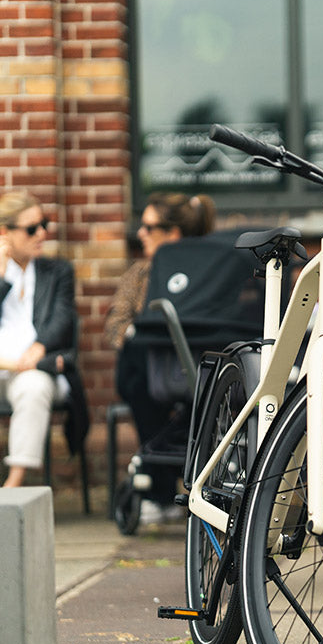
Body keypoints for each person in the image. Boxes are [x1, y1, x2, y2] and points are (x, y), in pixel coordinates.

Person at [105, 192, 215, 525]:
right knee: (136, 367)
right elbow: (115, 321)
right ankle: (168, 482)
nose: (140, 233)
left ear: (174, 234)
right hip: (153, 372)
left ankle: (161, 486)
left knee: (137, 375)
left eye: (149, 227)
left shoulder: (211, 270)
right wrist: (136, 336)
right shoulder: (140, 273)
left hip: (202, 368)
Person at [0, 192, 77, 488]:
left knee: (33, 386)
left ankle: (14, 484)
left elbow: (62, 319)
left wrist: (38, 348)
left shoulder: (57, 271)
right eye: (32, 228)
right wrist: (0, 275)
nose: (42, 233)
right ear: (4, 233)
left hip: (35, 369)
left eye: (43, 224)